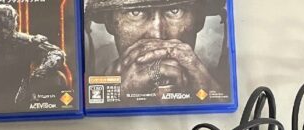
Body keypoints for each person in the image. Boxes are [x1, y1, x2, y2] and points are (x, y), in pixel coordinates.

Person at [86, 0, 228, 99]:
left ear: (199, 20)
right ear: (109, 22)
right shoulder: (88, 91)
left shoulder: (216, 88)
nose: (157, 35)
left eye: (175, 10)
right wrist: (114, 100)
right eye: (135, 12)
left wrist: (214, 95)